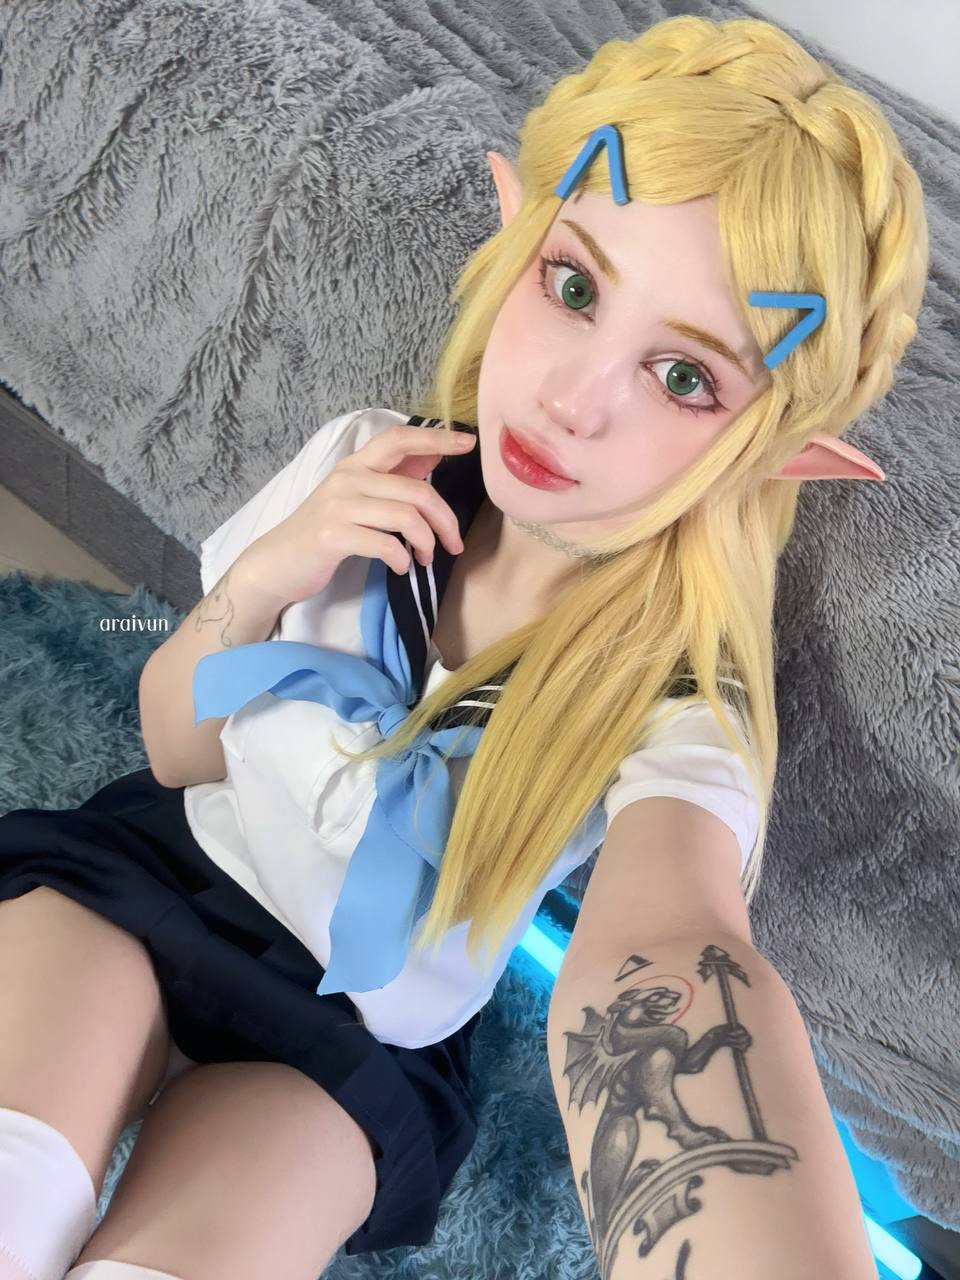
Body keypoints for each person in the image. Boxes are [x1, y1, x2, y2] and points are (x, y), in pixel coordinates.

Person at [0, 13, 928, 1280]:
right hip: (156, 870)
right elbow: (172, 747)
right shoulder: (370, 462)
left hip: (352, 1045)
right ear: (514, 229)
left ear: (778, 452)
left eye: (685, 377)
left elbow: (670, 939)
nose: (573, 399)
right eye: (575, 287)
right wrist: (273, 569)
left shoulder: (682, 708)